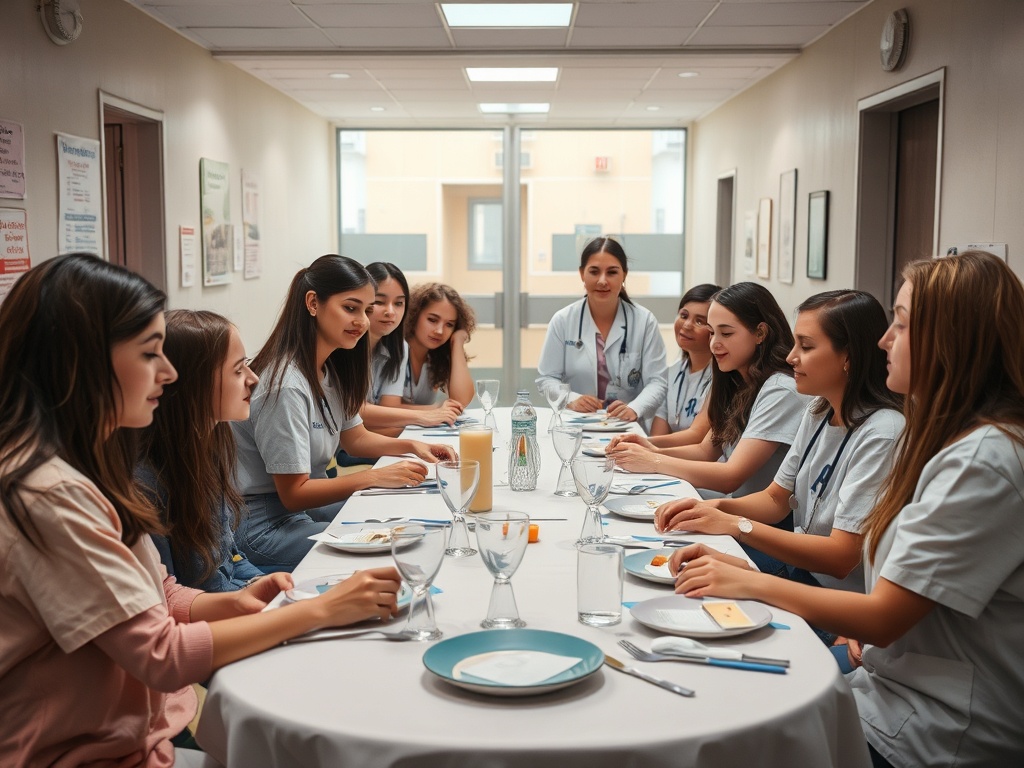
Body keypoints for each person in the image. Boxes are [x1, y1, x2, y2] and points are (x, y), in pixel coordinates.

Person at [0, 254, 403, 766]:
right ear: (81, 364)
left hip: (143, 734)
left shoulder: (84, 465)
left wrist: (230, 602)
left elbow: (153, 585)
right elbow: (160, 653)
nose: (168, 373)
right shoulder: (50, 494)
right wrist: (320, 610)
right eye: (150, 354)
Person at [671, 251, 1024, 767]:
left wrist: (745, 577)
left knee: (732, 721)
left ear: (951, 340)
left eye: (900, 325)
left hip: (933, 727)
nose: (884, 339)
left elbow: (881, 612)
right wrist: (731, 535)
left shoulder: (979, 459)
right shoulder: (951, 437)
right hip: (893, 682)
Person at [657, 291, 903, 650]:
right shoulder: (819, 410)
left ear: (848, 355)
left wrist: (737, 526)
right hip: (799, 575)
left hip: (831, 600)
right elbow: (776, 498)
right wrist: (712, 510)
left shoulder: (882, 431)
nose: (791, 357)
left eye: (805, 346)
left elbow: (840, 558)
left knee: (715, 629)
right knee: (689, 584)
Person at [232, 255, 455, 572]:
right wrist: (373, 477)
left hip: (302, 508)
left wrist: (411, 446)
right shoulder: (286, 385)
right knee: (394, 553)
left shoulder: (329, 369)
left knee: (413, 524)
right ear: (313, 303)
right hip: (263, 524)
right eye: (350, 308)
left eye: (366, 310)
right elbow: (294, 493)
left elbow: (355, 439)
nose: (363, 322)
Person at [607, 282, 812, 500]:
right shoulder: (736, 380)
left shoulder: (780, 389)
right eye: (712, 333)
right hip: (734, 505)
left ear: (760, 333)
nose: (714, 343)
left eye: (725, 333)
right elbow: (705, 451)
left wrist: (654, 461)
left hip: (755, 519)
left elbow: (730, 477)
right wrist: (650, 449)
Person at [137, 309, 266, 592]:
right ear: (192, 383)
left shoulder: (210, 444)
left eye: (247, 365)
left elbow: (232, 557)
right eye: (237, 370)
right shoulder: (146, 486)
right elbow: (174, 599)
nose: (253, 379)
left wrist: (267, 586)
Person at [536, 237, 668, 426]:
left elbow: (657, 381)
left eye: (612, 272)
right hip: (574, 426)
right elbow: (547, 378)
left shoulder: (644, 322)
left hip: (626, 426)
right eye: (594, 272)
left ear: (624, 275)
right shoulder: (563, 321)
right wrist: (571, 398)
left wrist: (634, 408)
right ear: (582, 274)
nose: (602, 281)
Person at [359, 262, 462, 437]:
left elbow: (388, 409)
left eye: (398, 303)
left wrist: (459, 341)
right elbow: (355, 414)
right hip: (343, 447)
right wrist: (428, 414)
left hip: (369, 438)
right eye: (379, 302)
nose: (391, 311)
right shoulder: (347, 345)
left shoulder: (397, 346)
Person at [401, 282, 475, 408]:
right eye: (432, 320)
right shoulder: (395, 349)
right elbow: (383, 406)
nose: (440, 331)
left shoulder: (436, 358)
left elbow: (461, 401)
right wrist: (435, 409)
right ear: (414, 315)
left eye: (449, 325)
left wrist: (457, 343)